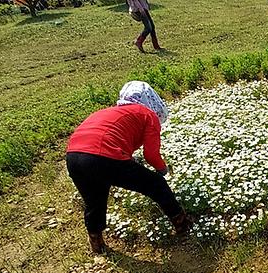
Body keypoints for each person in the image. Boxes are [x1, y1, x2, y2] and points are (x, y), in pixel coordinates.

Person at [66, 81, 193, 254]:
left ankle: (96, 241)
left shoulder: (109, 111)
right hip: (103, 155)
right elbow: (151, 154)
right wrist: (162, 170)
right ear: (151, 100)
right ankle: (183, 224)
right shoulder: (147, 114)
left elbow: (112, 135)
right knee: (156, 184)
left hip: (73, 156)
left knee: (95, 199)